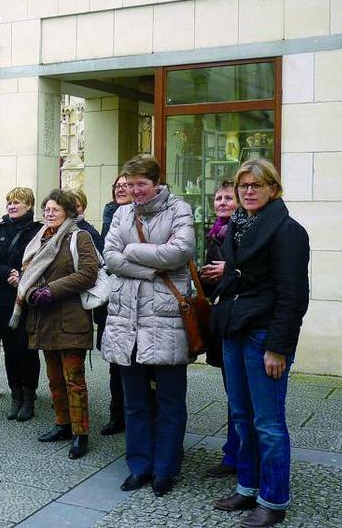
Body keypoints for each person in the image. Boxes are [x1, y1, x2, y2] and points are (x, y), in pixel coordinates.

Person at [212, 160, 309, 528]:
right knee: (241, 417)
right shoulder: (236, 226)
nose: (248, 191)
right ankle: (247, 487)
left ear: (273, 189)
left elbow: (294, 295)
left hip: (264, 335)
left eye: (257, 185)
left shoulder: (287, 231)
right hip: (235, 330)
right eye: (243, 186)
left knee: (268, 423)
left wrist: (278, 347)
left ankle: (273, 499)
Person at [102, 154, 195, 497]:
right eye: (130, 184)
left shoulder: (179, 209)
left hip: (166, 322)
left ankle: (166, 469)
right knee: (135, 401)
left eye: (142, 184)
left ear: (156, 183)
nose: (136, 190)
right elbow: (109, 256)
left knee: (170, 401)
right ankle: (139, 466)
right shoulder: (121, 212)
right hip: (127, 322)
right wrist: (151, 266)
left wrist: (132, 251)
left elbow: (179, 252)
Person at [11, 189, 98, 459]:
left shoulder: (78, 236)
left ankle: (80, 433)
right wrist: (24, 283)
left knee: (74, 380)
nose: (49, 213)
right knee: (54, 379)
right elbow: (31, 272)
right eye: (46, 209)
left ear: (69, 213)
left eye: (55, 210)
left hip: (70, 318)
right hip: (44, 318)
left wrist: (50, 289)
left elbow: (88, 273)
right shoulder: (40, 238)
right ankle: (62, 423)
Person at [0, 187, 43, 422]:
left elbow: (40, 262)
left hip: (26, 300)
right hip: (3, 300)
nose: (11, 206)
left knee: (27, 350)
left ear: (29, 205)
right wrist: (5, 272)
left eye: (17, 202)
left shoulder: (37, 231)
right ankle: (15, 395)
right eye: (9, 202)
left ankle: (29, 397)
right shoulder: (1, 229)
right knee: (9, 350)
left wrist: (21, 276)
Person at [199, 179, 240, 478]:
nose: (222, 203)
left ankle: (239, 456)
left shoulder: (241, 232)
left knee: (240, 397)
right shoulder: (214, 233)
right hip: (222, 319)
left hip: (240, 320)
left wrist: (226, 274)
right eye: (218, 198)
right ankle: (233, 454)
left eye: (228, 198)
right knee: (233, 393)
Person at [97, 173, 131, 436]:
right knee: (114, 363)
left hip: (133, 298)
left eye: (125, 186)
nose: (120, 189)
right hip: (112, 301)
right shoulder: (110, 215)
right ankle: (116, 413)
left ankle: (133, 414)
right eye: (117, 186)